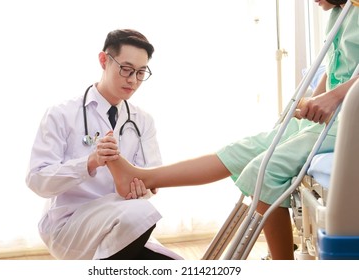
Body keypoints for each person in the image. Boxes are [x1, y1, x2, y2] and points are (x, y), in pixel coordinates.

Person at [105, 0, 359, 260]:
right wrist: (312, 103)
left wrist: (332, 99)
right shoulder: (341, 12)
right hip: (329, 116)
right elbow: (334, 67)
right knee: (239, 151)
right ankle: (144, 177)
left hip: (351, 122)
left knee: (265, 173)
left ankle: (283, 265)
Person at [26, 29, 182, 260]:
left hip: (121, 222)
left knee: (172, 263)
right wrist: (89, 163)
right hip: (71, 223)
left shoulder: (143, 121)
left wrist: (143, 188)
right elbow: (37, 180)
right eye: (126, 69)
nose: (133, 80)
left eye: (140, 73)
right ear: (104, 60)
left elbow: (150, 177)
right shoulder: (61, 115)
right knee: (140, 213)